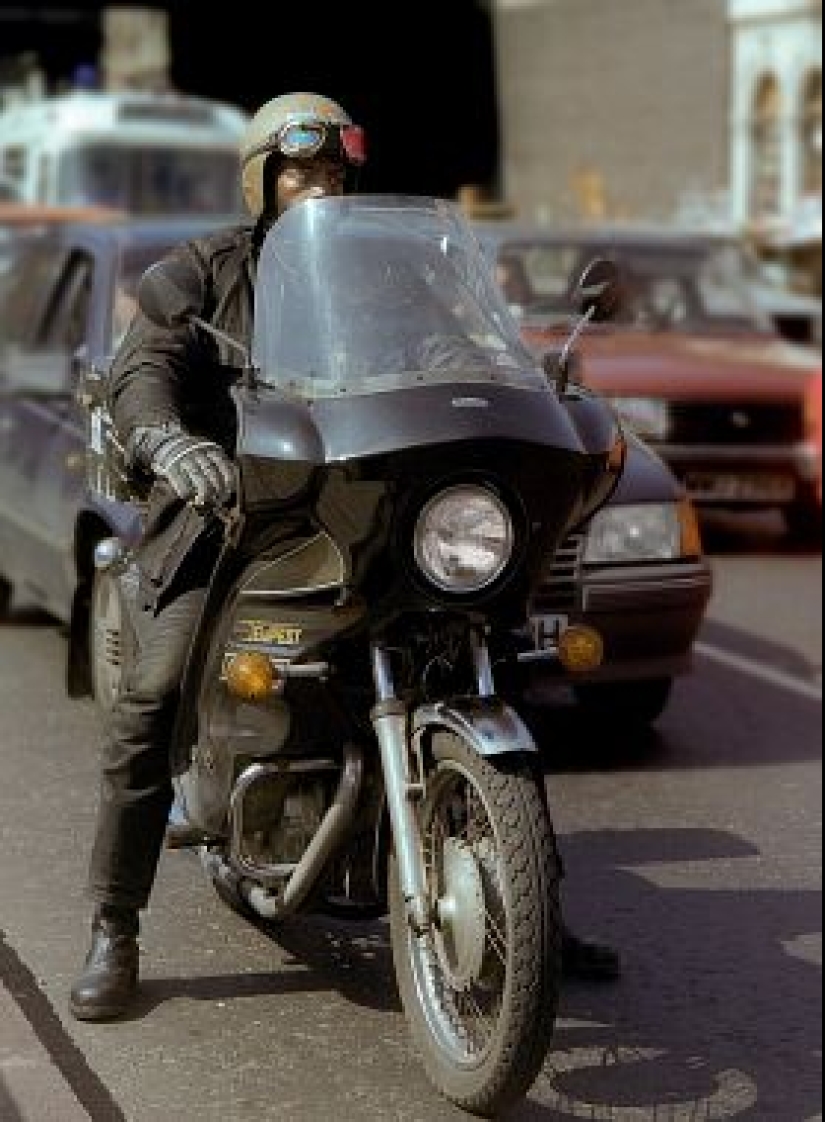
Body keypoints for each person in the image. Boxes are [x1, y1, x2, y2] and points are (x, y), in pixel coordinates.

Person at [70, 92, 618, 1025]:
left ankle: (531, 904)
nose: (316, 185)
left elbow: (465, 341)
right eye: (297, 169)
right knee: (150, 701)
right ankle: (114, 925)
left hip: (363, 512)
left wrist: (513, 379)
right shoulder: (201, 270)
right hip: (235, 509)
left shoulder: (394, 271)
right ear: (262, 178)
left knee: (495, 669)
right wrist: (168, 441)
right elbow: (145, 368)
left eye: (331, 172)